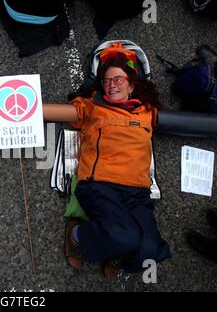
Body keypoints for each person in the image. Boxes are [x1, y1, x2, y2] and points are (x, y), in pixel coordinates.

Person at [63, 51, 171, 277]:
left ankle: (120, 253)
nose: (111, 85)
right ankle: (76, 234)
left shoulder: (148, 112)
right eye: (106, 81)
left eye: (118, 79)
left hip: (138, 191)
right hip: (99, 184)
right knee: (124, 236)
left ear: (132, 85)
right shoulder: (93, 106)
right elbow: (70, 113)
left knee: (150, 252)